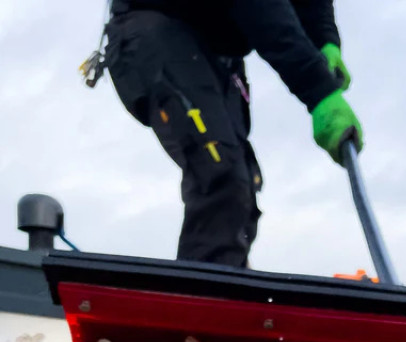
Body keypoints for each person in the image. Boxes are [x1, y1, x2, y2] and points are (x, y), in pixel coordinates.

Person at [103, 0, 363, 268]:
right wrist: (320, 93)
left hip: (216, 53)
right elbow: (263, 13)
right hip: (154, 27)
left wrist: (325, 41)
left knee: (244, 186)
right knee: (221, 171)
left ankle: (227, 281)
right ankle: (203, 299)